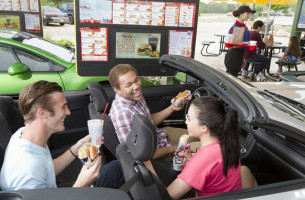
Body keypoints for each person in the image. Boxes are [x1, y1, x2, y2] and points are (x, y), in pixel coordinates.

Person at [0, 80, 124, 191]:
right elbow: (36, 170)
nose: (68, 112)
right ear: (43, 113)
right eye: (63, 107)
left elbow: (47, 168)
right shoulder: (28, 170)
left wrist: (75, 149)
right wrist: (82, 184)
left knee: (116, 167)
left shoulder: (23, 135)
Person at [108, 64, 199, 186]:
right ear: (117, 89)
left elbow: (149, 121)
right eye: (129, 85)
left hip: (160, 135)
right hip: (158, 151)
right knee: (208, 146)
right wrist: (171, 149)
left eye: (136, 80)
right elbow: (139, 154)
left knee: (199, 133)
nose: (136, 86)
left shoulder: (134, 96)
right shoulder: (122, 114)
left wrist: (172, 108)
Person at [165, 96, 257, 199]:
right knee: (245, 170)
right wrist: (192, 160)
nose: (186, 122)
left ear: (203, 128)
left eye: (189, 118)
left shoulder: (201, 160)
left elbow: (166, 197)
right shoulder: (226, 142)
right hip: (230, 193)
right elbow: (212, 168)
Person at [225, 6, 255, 77]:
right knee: (232, 79)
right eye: (247, 13)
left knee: (233, 79)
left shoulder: (244, 26)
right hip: (234, 56)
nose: (249, 16)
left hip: (240, 55)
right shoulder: (235, 27)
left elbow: (244, 42)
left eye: (249, 14)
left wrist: (243, 59)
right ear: (241, 14)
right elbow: (232, 44)